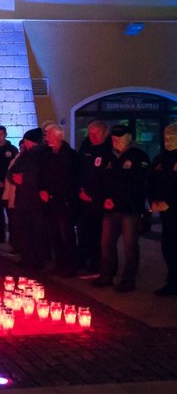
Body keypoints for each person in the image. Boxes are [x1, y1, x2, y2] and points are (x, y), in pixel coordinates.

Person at [92, 124, 150, 292]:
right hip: (111, 208)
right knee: (106, 243)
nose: (115, 140)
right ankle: (106, 275)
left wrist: (116, 199)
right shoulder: (110, 156)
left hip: (129, 209)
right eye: (114, 137)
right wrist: (106, 199)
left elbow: (136, 184)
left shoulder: (139, 156)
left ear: (129, 137)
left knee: (129, 245)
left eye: (120, 137)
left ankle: (128, 280)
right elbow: (103, 181)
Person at [39, 124, 79, 277]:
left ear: (57, 136)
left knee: (66, 235)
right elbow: (42, 174)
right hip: (49, 202)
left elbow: (72, 179)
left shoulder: (70, 155)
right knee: (54, 234)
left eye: (48, 134)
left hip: (64, 202)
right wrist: (42, 189)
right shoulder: (47, 154)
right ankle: (59, 263)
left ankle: (70, 265)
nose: (45, 137)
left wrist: (67, 198)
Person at [76, 120, 113, 275]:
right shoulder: (86, 146)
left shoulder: (109, 150)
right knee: (84, 231)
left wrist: (95, 196)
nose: (92, 136)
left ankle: (97, 264)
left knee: (99, 235)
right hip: (83, 198)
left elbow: (108, 177)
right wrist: (80, 191)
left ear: (105, 133)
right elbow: (78, 169)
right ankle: (83, 260)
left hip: (100, 200)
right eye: (90, 133)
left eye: (96, 133)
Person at [8, 128, 48, 271]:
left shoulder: (43, 155)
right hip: (22, 199)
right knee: (23, 231)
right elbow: (12, 171)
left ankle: (38, 261)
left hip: (35, 201)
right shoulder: (24, 155)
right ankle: (27, 258)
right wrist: (14, 178)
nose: (25, 144)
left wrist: (24, 179)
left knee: (37, 231)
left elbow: (43, 176)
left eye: (27, 141)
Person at [149, 123, 177, 296]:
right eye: (167, 138)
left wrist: (171, 203)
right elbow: (151, 182)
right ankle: (172, 280)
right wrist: (153, 200)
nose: (169, 142)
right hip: (165, 211)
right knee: (168, 247)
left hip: (174, 208)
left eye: (173, 138)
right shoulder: (160, 159)